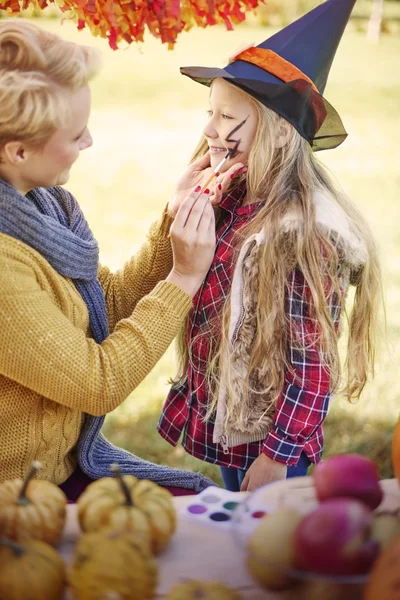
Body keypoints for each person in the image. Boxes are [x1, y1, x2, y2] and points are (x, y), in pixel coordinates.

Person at [0, 18, 244, 501]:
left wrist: (168, 226)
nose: (89, 141)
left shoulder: (39, 206)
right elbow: (98, 382)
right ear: (18, 150)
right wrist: (184, 278)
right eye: (75, 134)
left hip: (56, 471)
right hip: (21, 496)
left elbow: (102, 307)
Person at [158, 0, 382, 492]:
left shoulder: (303, 233)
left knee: (269, 543)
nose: (209, 131)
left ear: (280, 133)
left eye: (227, 117)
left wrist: (278, 457)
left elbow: (312, 360)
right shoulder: (235, 195)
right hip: (231, 419)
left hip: (272, 439)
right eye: (210, 113)